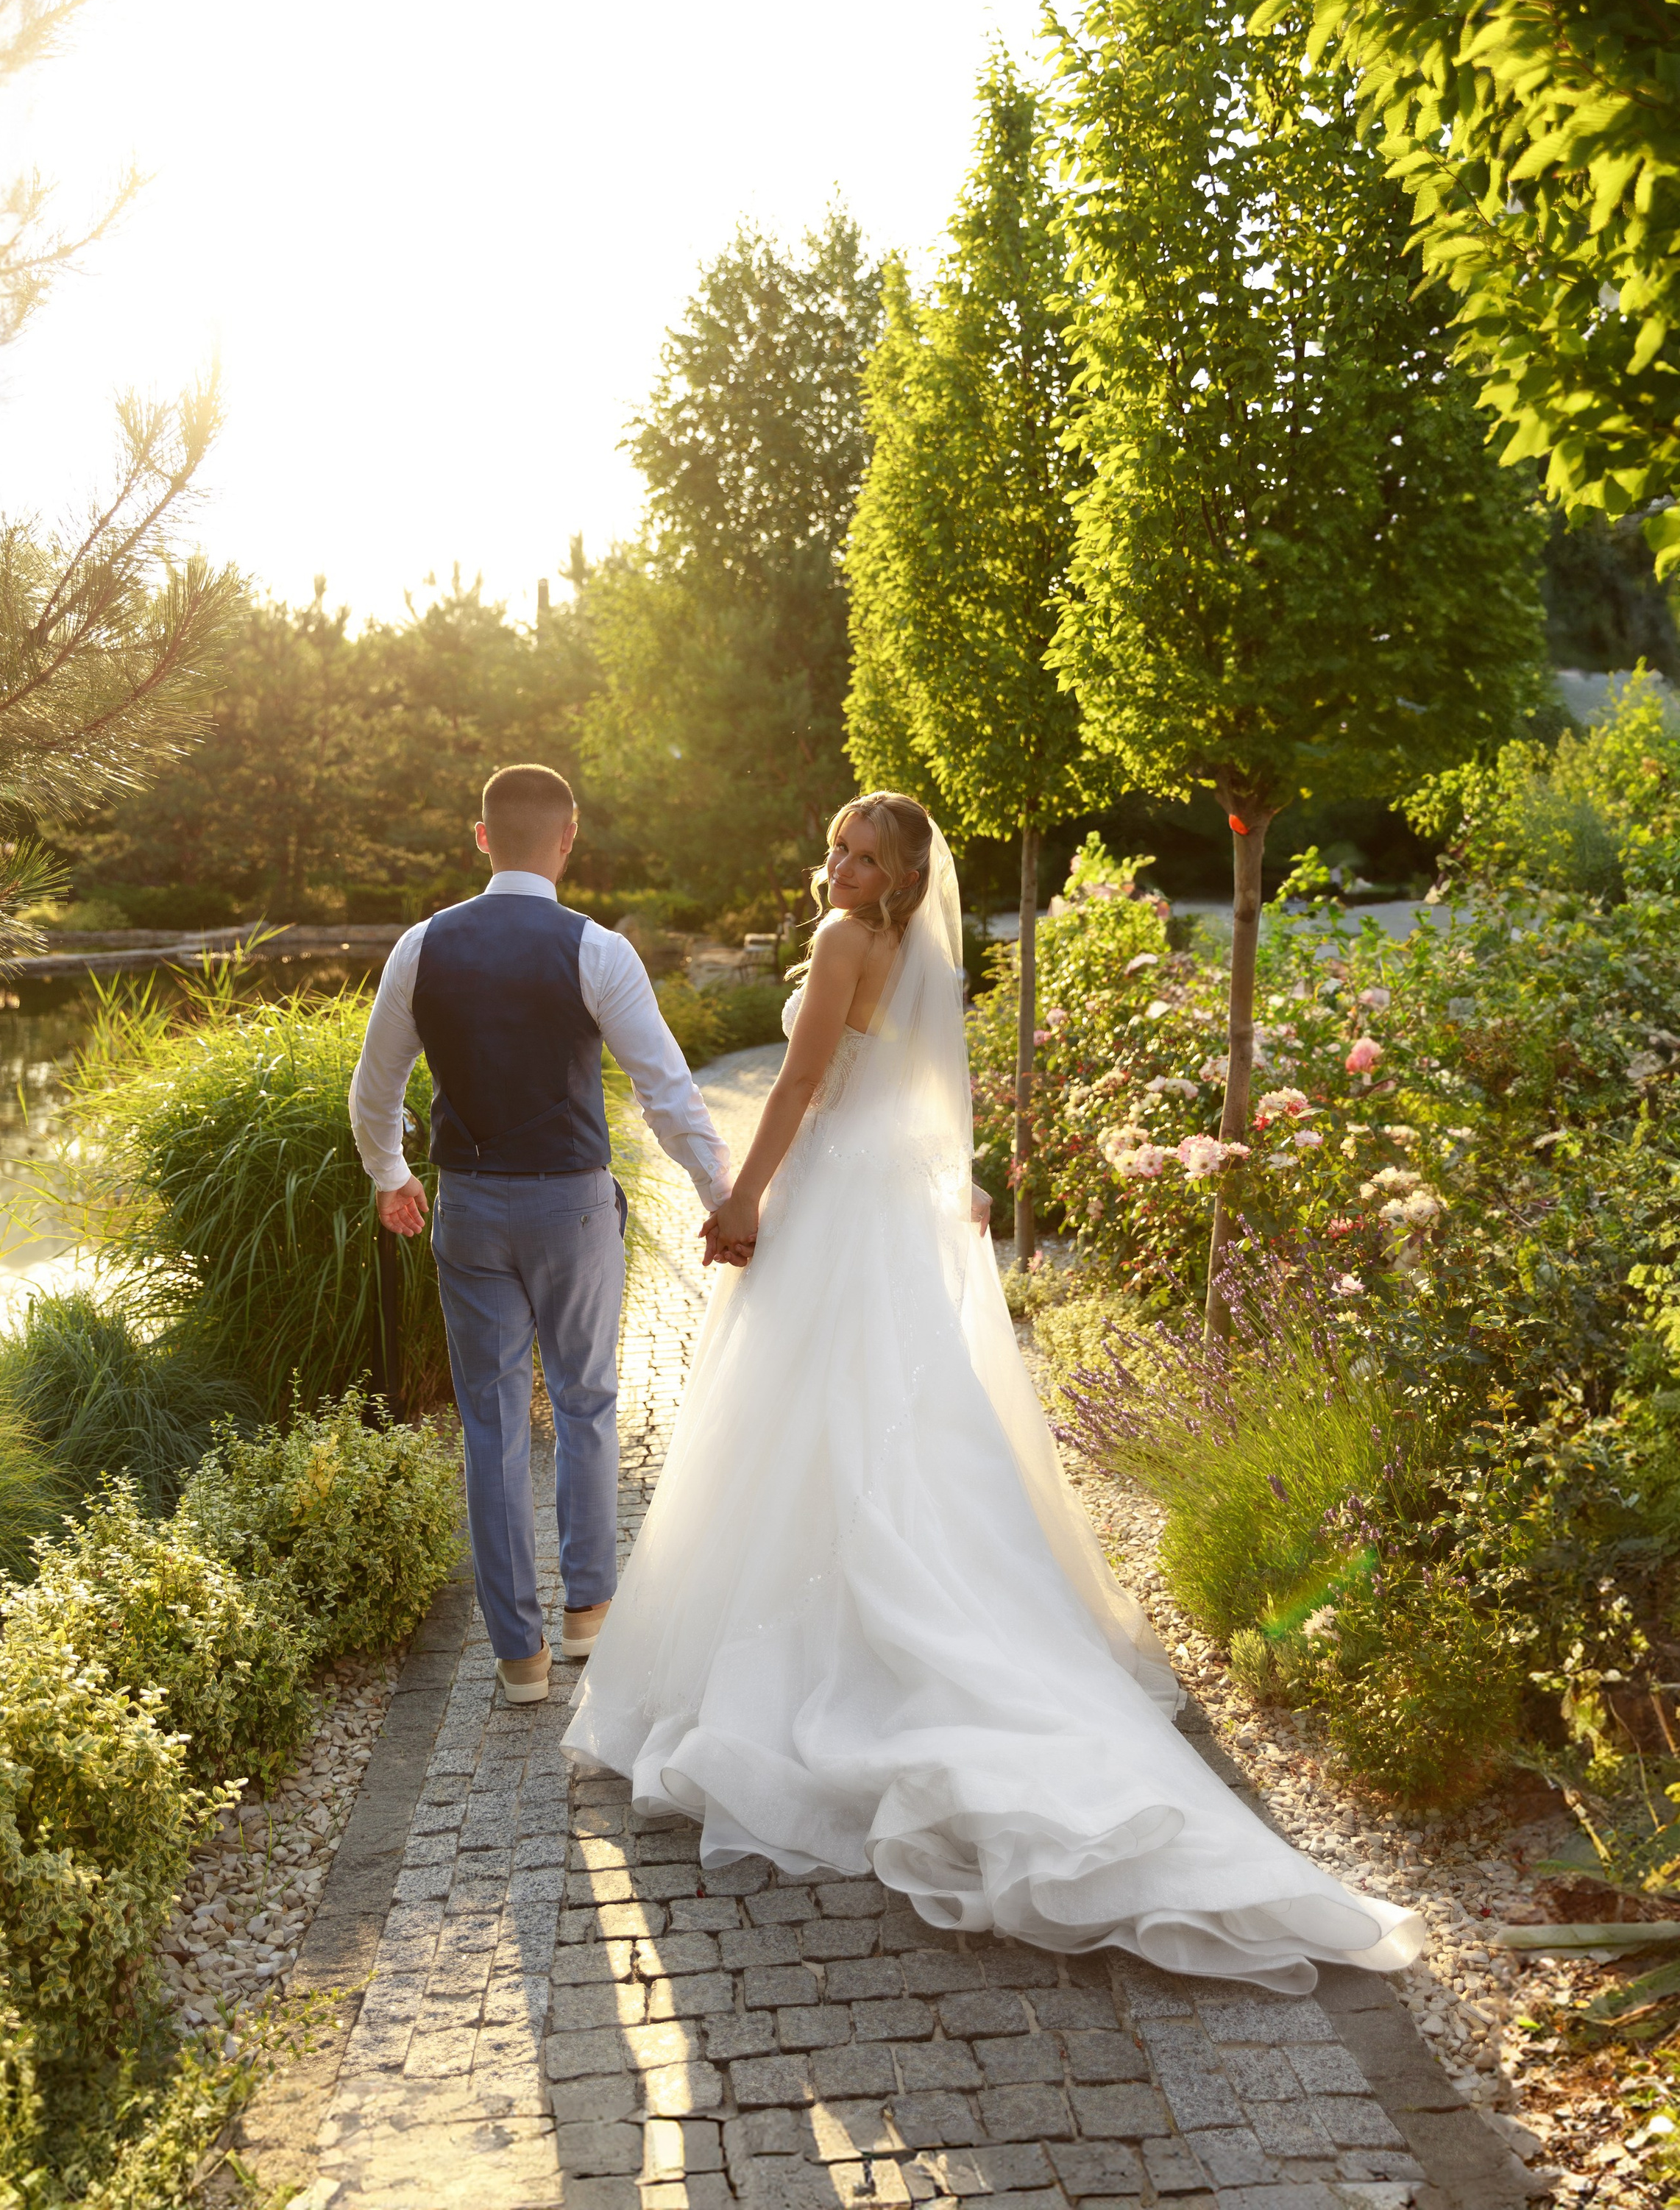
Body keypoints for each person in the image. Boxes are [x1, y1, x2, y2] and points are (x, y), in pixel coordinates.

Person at [563, 791, 1422, 1992]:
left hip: (827, 1195)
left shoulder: (837, 944)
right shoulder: (912, 950)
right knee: (886, 1416)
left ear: (905, 872)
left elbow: (803, 1084)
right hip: (883, 1202)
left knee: (807, 1415)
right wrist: (937, 1192)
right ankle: (877, 1588)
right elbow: (914, 1100)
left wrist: (743, 1197)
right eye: (837, 848)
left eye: (867, 856)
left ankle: (832, 1630)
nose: (843, 867)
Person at [349, 762, 730, 1704]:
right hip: (571, 1206)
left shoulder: (421, 945)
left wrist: (393, 1177)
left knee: (491, 1426)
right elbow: (666, 1090)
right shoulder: (597, 949)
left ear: (480, 837)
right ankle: (588, 1615)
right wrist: (722, 1195)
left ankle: (518, 1659)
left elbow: (374, 1091)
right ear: (568, 838)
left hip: (471, 1207)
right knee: (586, 1401)